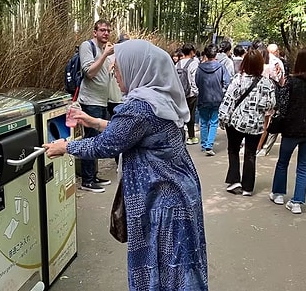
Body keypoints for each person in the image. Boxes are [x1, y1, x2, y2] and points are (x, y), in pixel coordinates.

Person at [43, 39, 208, 291]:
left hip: (162, 202)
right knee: (179, 266)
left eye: (117, 68)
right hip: (178, 194)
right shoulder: (158, 97)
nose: (114, 74)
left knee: (163, 267)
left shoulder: (139, 107)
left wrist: (65, 147)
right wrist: (95, 122)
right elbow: (134, 134)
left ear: (137, 67)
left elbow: (106, 146)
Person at [268, 47, 306, 214]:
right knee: (303, 166)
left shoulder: (291, 81)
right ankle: (297, 202)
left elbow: (282, 104)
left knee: (283, 162)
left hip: (291, 129)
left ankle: (278, 194)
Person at [219, 49, 275, 196]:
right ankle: (248, 187)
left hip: (236, 122)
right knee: (250, 154)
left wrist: (223, 118)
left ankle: (234, 180)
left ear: (244, 63)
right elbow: (271, 104)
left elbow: (228, 101)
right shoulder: (267, 83)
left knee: (233, 150)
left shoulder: (238, 79)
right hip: (255, 124)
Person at [77, 19, 114, 193]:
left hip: (101, 101)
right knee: (90, 140)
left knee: (97, 140)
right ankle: (87, 180)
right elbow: (89, 73)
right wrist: (106, 55)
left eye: (108, 30)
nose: (105, 33)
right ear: (95, 32)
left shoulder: (103, 49)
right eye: (102, 30)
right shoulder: (87, 46)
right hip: (89, 101)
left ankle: (93, 174)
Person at [196, 44, 231, 156]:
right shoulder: (221, 67)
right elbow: (227, 82)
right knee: (214, 122)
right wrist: (222, 90)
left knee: (203, 122)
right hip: (217, 98)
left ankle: (204, 144)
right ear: (215, 54)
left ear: (206, 54)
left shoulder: (199, 68)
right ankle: (209, 146)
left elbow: (196, 82)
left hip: (203, 98)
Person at [177, 43, 200, 145]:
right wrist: (195, 91)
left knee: (180, 116)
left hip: (179, 94)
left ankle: (180, 137)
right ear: (191, 52)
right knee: (190, 115)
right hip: (190, 94)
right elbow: (194, 79)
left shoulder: (177, 64)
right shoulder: (193, 63)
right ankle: (191, 137)